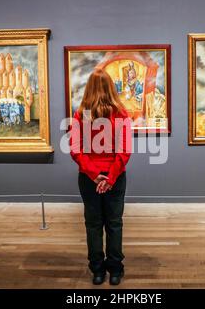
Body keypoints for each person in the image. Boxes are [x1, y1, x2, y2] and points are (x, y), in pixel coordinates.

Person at [69, 68, 132, 286]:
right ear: (111, 88)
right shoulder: (121, 114)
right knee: (114, 223)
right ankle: (115, 270)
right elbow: (124, 152)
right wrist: (110, 178)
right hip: (115, 176)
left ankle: (97, 270)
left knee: (93, 224)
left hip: (89, 178)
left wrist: (96, 176)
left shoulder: (81, 114)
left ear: (89, 88)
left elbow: (76, 151)